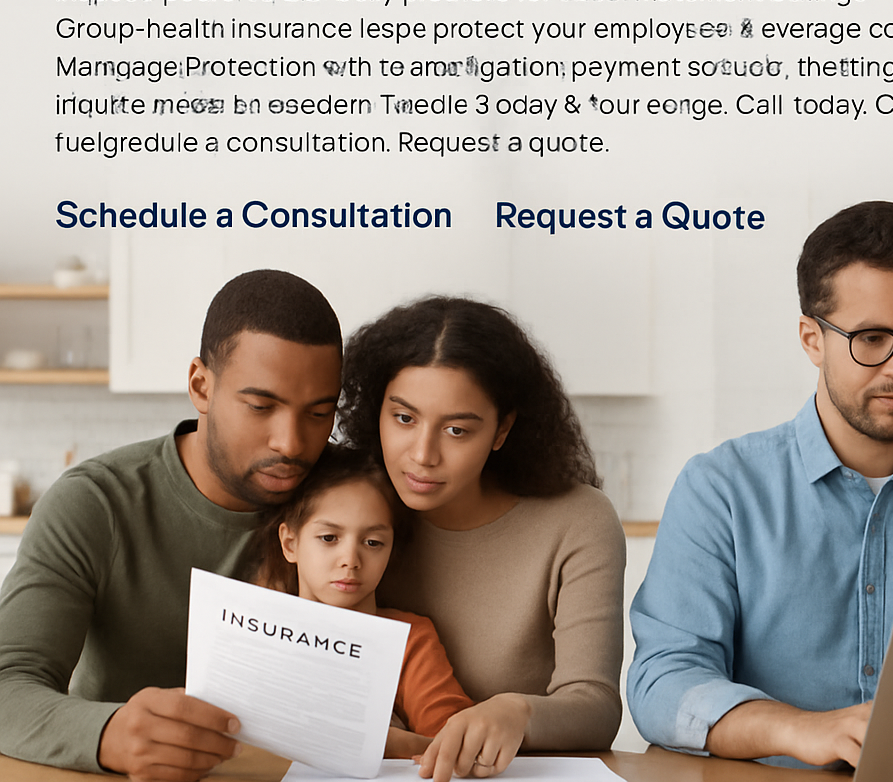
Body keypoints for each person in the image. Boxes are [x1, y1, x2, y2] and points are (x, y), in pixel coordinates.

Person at [627, 200, 893, 769]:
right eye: (871, 339)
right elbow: (662, 683)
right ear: (812, 339)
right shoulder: (721, 490)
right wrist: (799, 731)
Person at [0, 269, 344, 781]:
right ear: (201, 386)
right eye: (260, 406)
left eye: (319, 413)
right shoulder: (95, 502)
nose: (291, 443)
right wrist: (109, 731)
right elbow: (8, 683)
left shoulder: (352, 499)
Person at [339, 296, 626, 782]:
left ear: (502, 429)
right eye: (404, 419)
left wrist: (518, 713)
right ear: (376, 410)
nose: (423, 455)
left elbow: (595, 706)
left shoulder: (578, 521)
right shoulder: (347, 511)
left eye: (456, 430)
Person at [254, 443, 474, 752]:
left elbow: (454, 743)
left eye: (372, 542)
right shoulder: (256, 631)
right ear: (290, 543)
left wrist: (381, 744)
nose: (350, 560)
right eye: (329, 538)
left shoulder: (409, 640)